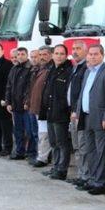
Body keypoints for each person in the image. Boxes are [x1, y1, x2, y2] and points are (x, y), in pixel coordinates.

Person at [73, 44, 105, 195]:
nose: (92, 57)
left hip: (101, 119)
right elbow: (83, 93)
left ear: (102, 55)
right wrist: (78, 111)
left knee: (102, 152)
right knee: (90, 150)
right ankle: (92, 179)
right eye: (90, 54)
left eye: (95, 54)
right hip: (86, 117)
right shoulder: (87, 72)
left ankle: (101, 183)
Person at [41, 44, 73, 180]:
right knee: (53, 142)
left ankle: (62, 169)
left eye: (62, 54)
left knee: (62, 143)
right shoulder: (51, 69)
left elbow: (68, 94)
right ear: (52, 55)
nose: (59, 56)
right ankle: (55, 166)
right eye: (57, 53)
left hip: (61, 113)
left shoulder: (68, 70)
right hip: (50, 112)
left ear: (66, 56)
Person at [67, 40, 89, 187]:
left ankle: (85, 176)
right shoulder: (75, 68)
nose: (75, 51)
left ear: (85, 51)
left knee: (83, 146)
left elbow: (83, 93)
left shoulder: (86, 68)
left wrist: (76, 110)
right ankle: (80, 174)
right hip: (72, 113)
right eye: (73, 49)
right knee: (76, 146)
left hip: (79, 114)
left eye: (78, 49)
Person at [6, 47, 34, 160]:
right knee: (18, 130)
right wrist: (8, 101)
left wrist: (27, 101)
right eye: (19, 54)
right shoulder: (14, 68)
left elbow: (30, 87)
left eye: (23, 54)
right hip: (15, 105)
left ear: (27, 55)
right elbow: (9, 86)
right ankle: (19, 151)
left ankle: (31, 152)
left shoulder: (30, 68)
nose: (20, 56)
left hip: (25, 106)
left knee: (29, 130)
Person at [27, 46, 53, 167]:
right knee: (40, 133)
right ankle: (42, 156)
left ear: (51, 55)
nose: (42, 57)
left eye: (45, 54)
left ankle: (43, 158)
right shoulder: (38, 68)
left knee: (44, 134)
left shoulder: (51, 69)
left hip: (45, 108)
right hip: (36, 107)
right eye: (41, 55)